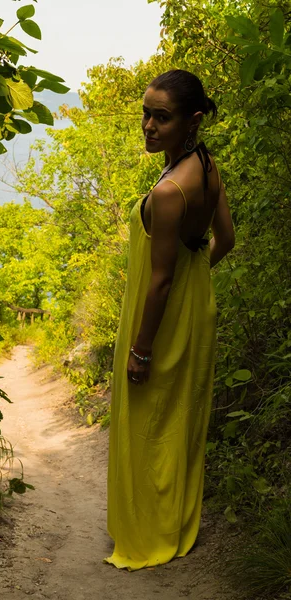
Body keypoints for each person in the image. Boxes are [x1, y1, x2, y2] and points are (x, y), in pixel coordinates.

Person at [104, 69, 235, 571]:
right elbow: (224, 241)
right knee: (177, 418)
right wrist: (191, 281)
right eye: (145, 113)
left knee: (146, 421)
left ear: (192, 121)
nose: (148, 126)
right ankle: (177, 525)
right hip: (195, 311)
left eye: (162, 117)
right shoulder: (206, 166)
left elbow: (158, 281)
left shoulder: (167, 193)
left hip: (159, 321)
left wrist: (140, 349)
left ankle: (146, 535)